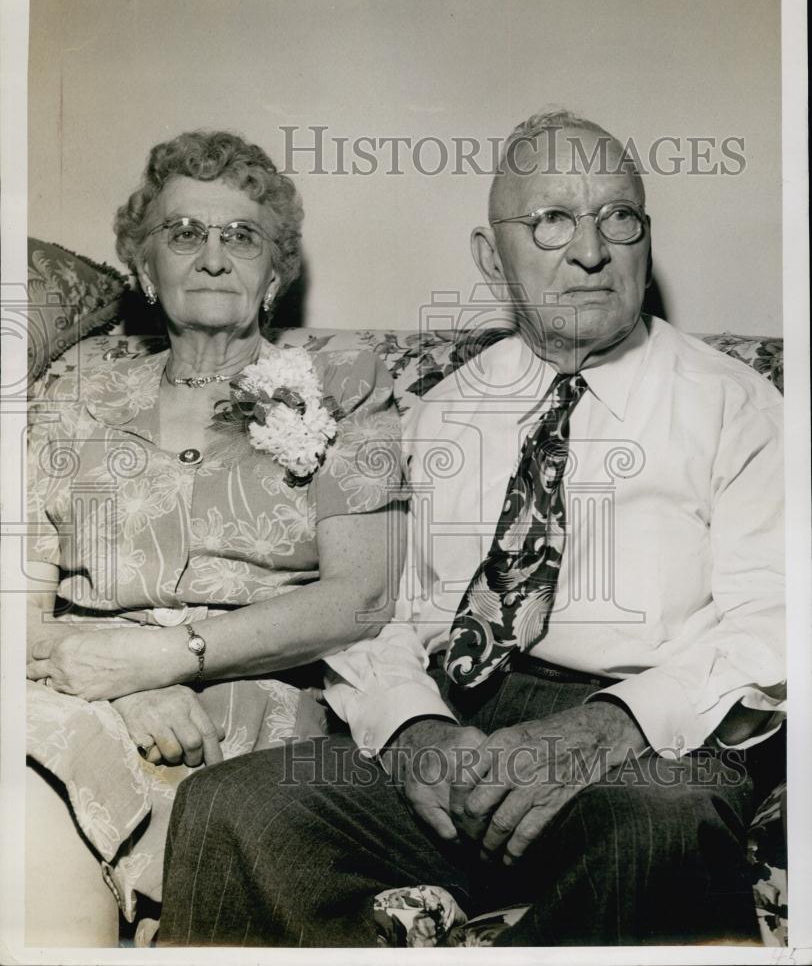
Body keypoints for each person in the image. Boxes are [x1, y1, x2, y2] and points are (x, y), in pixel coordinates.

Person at [158, 110, 785, 947]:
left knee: (665, 829)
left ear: (645, 238)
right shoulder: (444, 411)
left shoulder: (738, 407)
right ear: (493, 259)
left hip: (645, 743)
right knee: (232, 808)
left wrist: (611, 728)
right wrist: (416, 732)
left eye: (619, 217)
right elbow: (378, 606)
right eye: (553, 220)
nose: (591, 251)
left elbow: (776, 623)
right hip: (455, 720)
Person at [24, 130, 406, 946]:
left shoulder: (343, 378)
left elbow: (363, 597)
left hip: (243, 710)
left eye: (241, 236)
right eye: (184, 233)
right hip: (78, 689)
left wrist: (172, 657)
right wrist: (123, 681)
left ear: (276, 274)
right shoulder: (76, 391)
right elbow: (13, 603)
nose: (211, 256)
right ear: (142, 266)